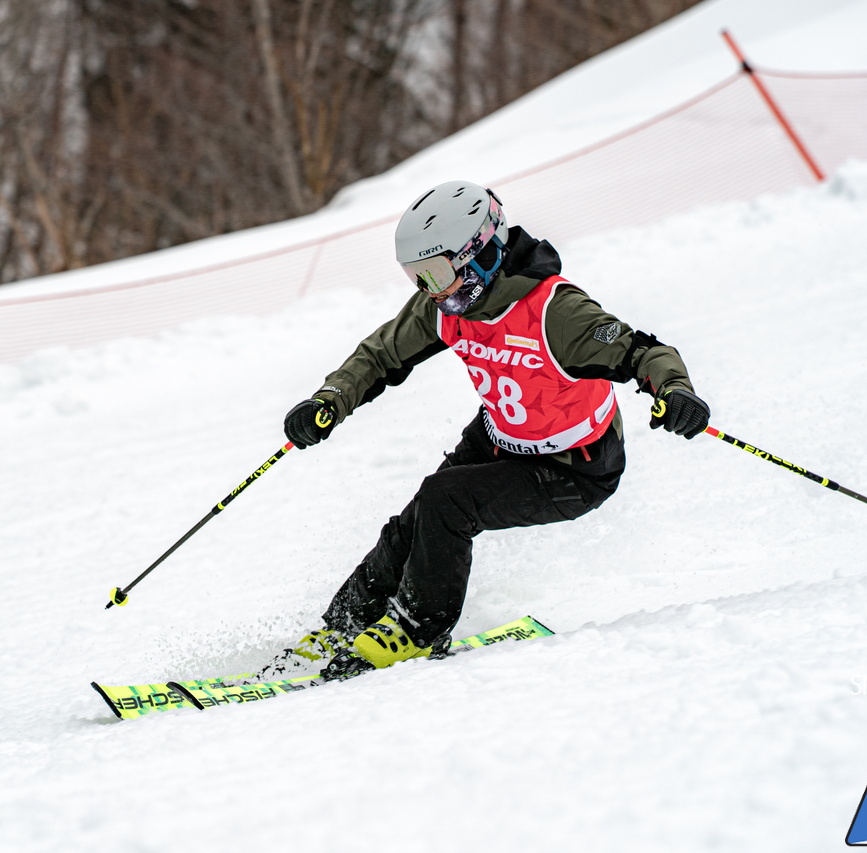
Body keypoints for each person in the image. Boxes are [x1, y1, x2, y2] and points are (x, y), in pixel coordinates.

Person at [263, 180, 709, 680]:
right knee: (414, 523)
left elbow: (643, 353)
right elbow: (381, 353)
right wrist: (331, 399)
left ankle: (418, 628)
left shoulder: (555, 311)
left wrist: (675, 392)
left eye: (434, 273)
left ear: (477, 253)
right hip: (500, 437)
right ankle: (345, 623)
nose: (428, 290)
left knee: (446, 501)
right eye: (416, 277)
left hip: (575, 465)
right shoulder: (445, 305)